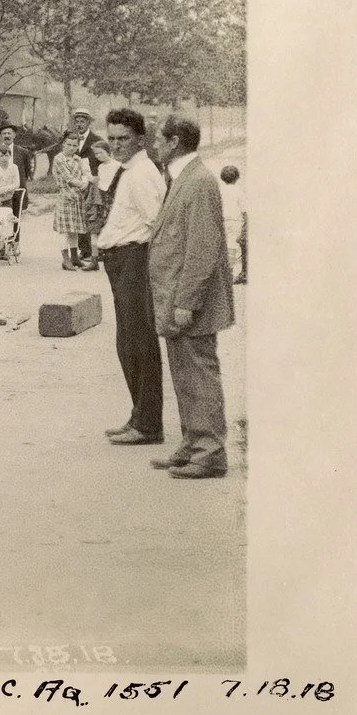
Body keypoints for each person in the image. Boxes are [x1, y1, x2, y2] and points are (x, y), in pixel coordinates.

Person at [146, 117, 235, 478]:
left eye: (159, 139)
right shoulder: (184, 176)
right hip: (177, 297)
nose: (154, 144)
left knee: (198, 374)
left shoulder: (197, 181)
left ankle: (210, 452)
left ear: (175, 142)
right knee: (185, 375)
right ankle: (193, 442)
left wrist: (187, 302)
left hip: (188, 301)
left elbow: (203, 246)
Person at [94, 108, 170, 447]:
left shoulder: (141, 174)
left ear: (139, 138)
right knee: (128, 343)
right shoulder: (128, 170)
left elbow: (158, 226)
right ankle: (139, 416)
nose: (116, 145)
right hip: (121, 261)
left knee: (139, 343)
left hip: (134, 261)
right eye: (111, 138)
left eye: (123, 138)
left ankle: (149, 424)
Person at [53, 129, 97, 271]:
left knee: (75, 230)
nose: (72, 148)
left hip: (77, 197)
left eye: (74, 145)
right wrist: (83, 183)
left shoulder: (78, 159)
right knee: (65, 230)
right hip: (66, 196)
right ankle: (65, 259)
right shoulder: (59, 159)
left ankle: (74, 257)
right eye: (69, 145)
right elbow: (68, 178)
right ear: (63, 145)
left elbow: (86, 173)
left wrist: (85, 180)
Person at [218, 164, 246, 284]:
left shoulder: (220, 190)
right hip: (235, 221)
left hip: (222, 220)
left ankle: (225, 272)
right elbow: (245, 210)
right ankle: (231, 272)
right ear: (237, 177)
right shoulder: (239, 191)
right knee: (233, 247)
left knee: (225, 245)